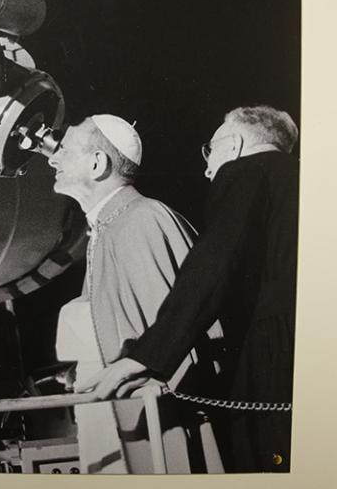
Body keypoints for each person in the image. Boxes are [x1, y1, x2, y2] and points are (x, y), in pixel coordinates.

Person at [77, 105, 299, 473]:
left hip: (276, 355)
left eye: (209, 151)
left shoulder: (243, 171)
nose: (208, 168)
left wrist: (145, 356)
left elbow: (214, 265)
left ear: (233, 144)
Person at [50, 114, 223, 474]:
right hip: (123, 417)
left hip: (159, 429)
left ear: (97, 163)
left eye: (64, 150)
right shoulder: (109, 226)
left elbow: (172, 344)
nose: (52, 159)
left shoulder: (141, 219)